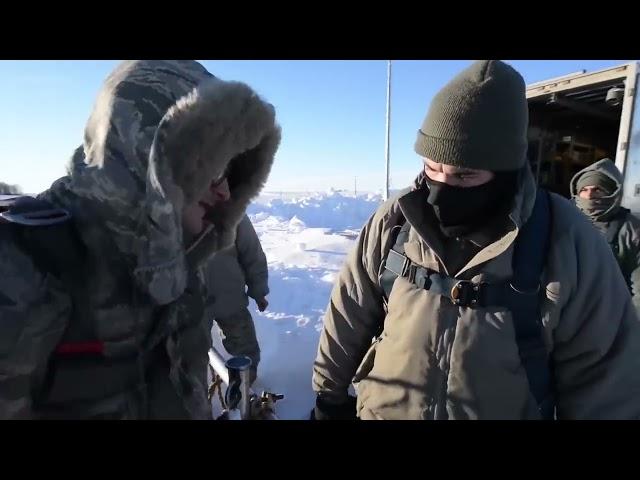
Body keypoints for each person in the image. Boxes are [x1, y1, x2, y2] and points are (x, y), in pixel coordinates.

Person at [311, 60, 640, 420]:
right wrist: (329, 397)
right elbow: (349, 312)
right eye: (432, 167)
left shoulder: (567, 241)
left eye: (465, 175)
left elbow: (605, 379)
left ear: (505, 170)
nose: (438, 193)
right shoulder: (395, 219)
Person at [0, 60, 281, 419]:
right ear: (152, 162)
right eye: (211, 168)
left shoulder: (183, 265)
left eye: (229, 171)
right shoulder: (20, 275)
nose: (225, 191)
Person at [205, 214, 269, 384]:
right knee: (190, 356)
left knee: (246, 352)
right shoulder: (170, 202)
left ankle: (246, 390)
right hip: (190, 305)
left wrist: (259, 289)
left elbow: (251, 251)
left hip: (230, 297)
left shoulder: (230, 205)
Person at [570, 158, 640, 310]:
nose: (589, 196)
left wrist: (630, 327)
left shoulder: (630, 229)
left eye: (597, 190)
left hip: (608, 315)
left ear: (612, 193)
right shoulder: (564, 220)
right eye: (584, 190)